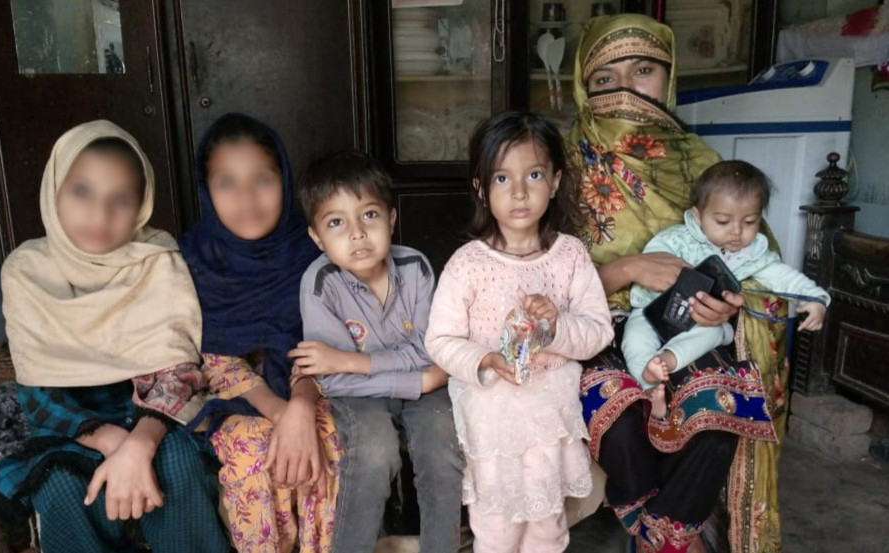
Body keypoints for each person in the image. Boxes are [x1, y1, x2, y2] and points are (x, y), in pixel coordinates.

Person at [570, 14, 789, 553]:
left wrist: (731, 307)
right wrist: (625, 270)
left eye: (643, 70)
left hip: (689, 325)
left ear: (668, 80)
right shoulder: (562, 167)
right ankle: (666, 532)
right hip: (597, 322)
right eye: (605, 78)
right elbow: (533, 276)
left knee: (722, 409)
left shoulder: (703, 167)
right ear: (584, 87)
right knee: (619, 416)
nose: (625, 89)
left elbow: (762, 266)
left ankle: (661, 536)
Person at [0, 120, 229, 553]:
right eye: (82, 192)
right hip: (74, 431)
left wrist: (140, 443)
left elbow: (178, 370)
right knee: (61, 487)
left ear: (142, 204)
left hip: (157, 421)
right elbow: (38, 392)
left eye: (121, 199)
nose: (100, 214)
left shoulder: (157, 260)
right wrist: (113, 442)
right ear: (54, 191)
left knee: (180, 466)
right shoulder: (26, 271)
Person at [425, 111, 614, 553]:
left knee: (548, 526)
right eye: (502, 179)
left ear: (555, 180)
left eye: (533, 174)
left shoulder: (570, 256)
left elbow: (597, 331)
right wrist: (484, 359)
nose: (520, 191)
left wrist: (554, 328)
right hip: (492, 420)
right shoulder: (468, 263)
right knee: (496, 528)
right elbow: (440, 340)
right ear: (481, 188)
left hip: (549, 417)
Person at [179, 113, 342, 553]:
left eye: (262, 179)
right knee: (248, 446)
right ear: (207, 191)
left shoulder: (312, 251)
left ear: (284, 181)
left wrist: (302, 405)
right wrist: (278, 412)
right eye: (227, 183)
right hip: (237, 395)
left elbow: (329, 340)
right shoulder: (193, 260)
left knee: (329, 437)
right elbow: (208, 356)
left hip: (312, 384)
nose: (246, 198)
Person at [292, 150, 464, 553]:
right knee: (374, 451)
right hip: (359, 395)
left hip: (408, 385)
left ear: (391, 218)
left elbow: (428, 350)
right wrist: (417, 380)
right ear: (317, 237)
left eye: (369, 215)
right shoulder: (319, 283)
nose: (356, 234)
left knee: (442, 444)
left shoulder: (416, 269)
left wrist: (356, 361)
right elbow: (331, 379)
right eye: (336, 222)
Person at [623, 160, 830, 418]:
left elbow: (784, 277)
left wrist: (815, 298)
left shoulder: (752, 255)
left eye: (750, 222)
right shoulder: (675, 239)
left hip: (702, 324)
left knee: (714, 332)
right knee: (633, 339)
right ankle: (650, 389)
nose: (736, 232)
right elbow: (650, 263)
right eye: (722, 221)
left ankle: (665, 360)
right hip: (654, 314)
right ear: (698, 215)